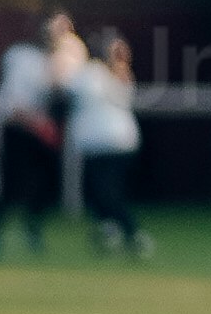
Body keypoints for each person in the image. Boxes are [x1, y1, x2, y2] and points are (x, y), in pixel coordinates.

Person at [0, 17, 78, 257]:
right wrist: (40, 124)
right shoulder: (22, 57)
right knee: (10, 182)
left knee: (43, 183)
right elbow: (14, 105)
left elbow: (61, 94)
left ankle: (33, 229)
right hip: (18, 128)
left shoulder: (63, 59)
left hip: (42, 131)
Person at [61, 20, 149, 259]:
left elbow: (67, 88)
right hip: (112, 142)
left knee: (106, 192)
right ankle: (109, 232)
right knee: (102, 191)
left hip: (109, 142)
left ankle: (133, 233)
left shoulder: (92, 75)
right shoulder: (108, 75)